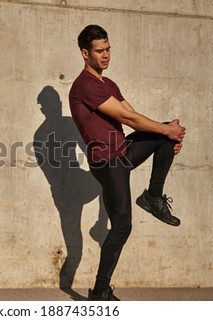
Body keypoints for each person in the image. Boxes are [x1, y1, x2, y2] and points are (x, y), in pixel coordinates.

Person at [68, 25, 186, 301]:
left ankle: (153, 197)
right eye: (100, 51)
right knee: (122, 227)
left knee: (164, 131)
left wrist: (166, 133)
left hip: (121, 153)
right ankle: (100, 291)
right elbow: (128, 119)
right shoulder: (84, 85)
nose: (106, 55)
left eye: (108, 49)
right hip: (108, 162)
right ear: (85, 54)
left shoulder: (107, 84)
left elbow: (132, 112)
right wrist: (165, 131)